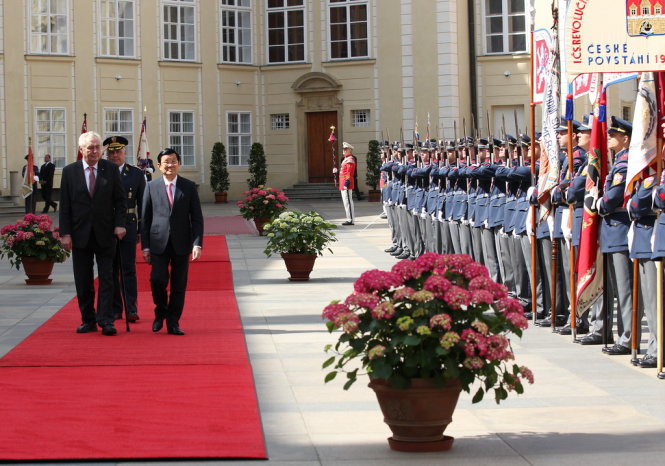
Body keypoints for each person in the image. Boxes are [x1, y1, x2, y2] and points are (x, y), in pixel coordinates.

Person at [59, 131, 127, 336]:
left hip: (106, 233)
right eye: (90, 147)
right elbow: (65, 207)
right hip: (80, 234)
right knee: (83, 279)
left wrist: (120, 224)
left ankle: (106, 320)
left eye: (98, 147)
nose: (95, 151)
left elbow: (120, 201)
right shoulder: (70, 172)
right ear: (81, 150)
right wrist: (65, 234)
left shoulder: (111, 170)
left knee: (107, 277)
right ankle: (88, 319)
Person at [141, 148, 203, 335]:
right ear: (159, 166)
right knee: (157, 279)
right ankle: (160, 312)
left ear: (179, 164)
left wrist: (197, 243)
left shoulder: (189, 186)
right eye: (166, 162)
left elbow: (197, 218)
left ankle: (173, 322)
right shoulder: (151, 187)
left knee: (179, 284)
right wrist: (145, 246)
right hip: (158, 242)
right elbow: (145, 218)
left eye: (174, 161)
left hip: (182, 242)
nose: (170, 165)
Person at [105, 136, 145, 323]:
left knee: (128, 269)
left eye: (118, 152)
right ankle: (115, 309)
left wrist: (140, 230)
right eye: (111, 152)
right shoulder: (102, 172)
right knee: (111, 270)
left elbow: (143, 205)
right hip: (107, 226)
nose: (115, 155)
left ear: (124, 153)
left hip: (128, 224)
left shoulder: (136, 174)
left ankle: (131, 307)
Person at [337, 142, 356, 225]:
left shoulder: (350, 159)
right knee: (346, 202)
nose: (344, 151)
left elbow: (349, 172)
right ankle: (349, 218)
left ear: (350, 150)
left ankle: (350, 219)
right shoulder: (345, 159)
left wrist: (347, 182)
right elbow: (343, 172)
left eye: (346, 149)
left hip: (346, 183)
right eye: (343, 149)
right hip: (342, 183)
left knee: (348, 202)